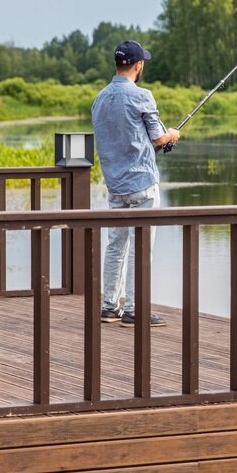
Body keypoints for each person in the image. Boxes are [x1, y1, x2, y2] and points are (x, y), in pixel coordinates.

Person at [90, 40, 180, 327]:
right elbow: (158, 137)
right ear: (138, 65)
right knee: (140, 248)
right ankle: (134, 310)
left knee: (115, 245)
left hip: (115, 186)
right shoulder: (142, 96)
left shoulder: (99, 99)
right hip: (142, 185)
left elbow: (123, 139)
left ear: (118, 64)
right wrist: (172, 135)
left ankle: (109, 307)